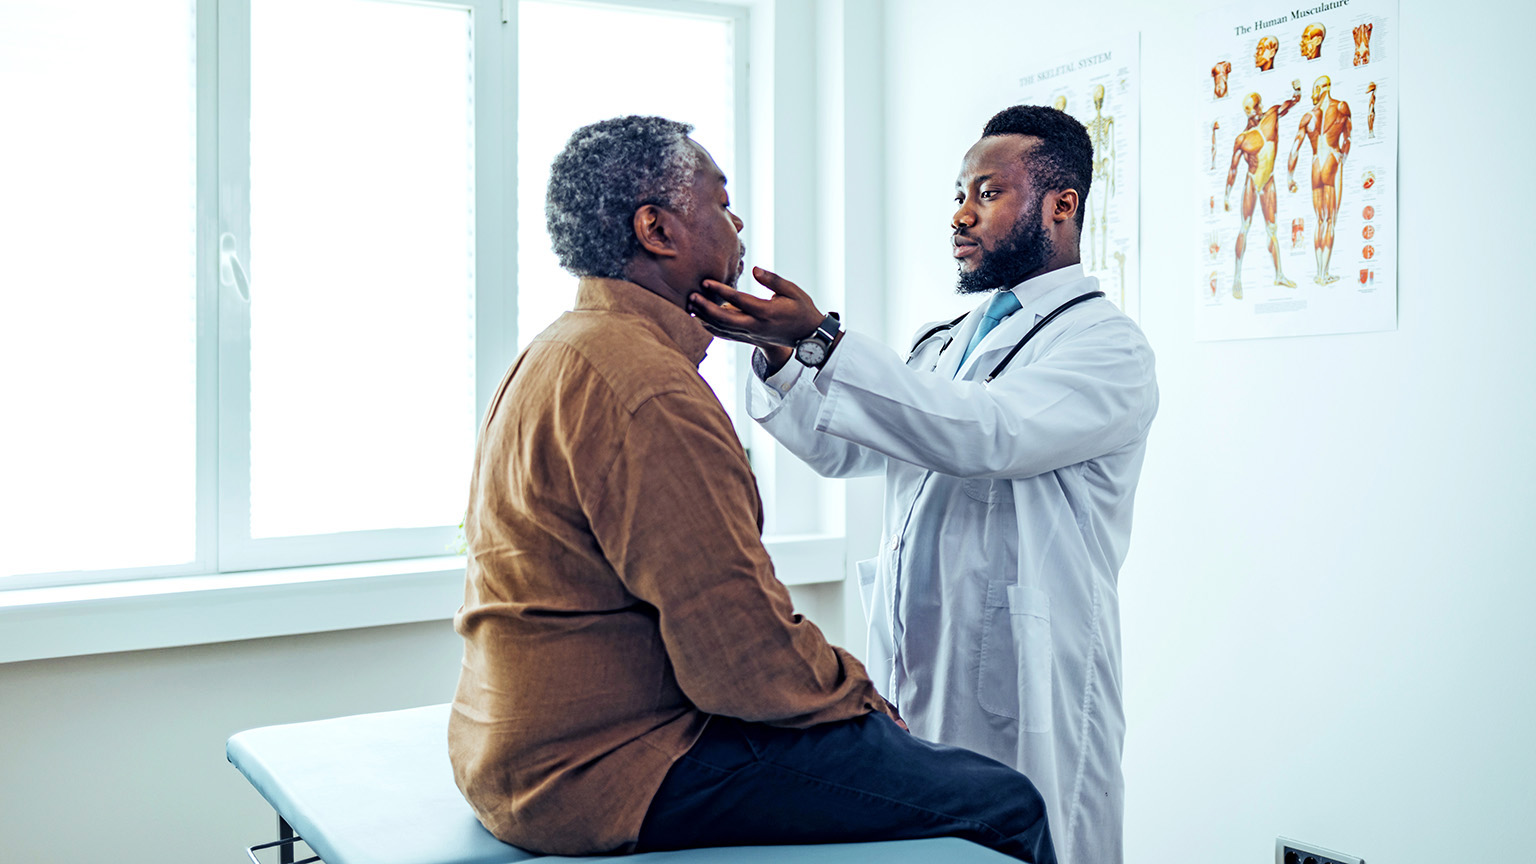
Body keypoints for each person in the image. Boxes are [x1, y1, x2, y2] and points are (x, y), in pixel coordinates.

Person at [449, 115, 1056, 863]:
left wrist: (801, 348)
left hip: (516, 752)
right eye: (722, 202)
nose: (738, 225)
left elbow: (959, 432)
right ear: (658, 230)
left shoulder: (561, 348)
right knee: (1005, 803)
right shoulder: (648, 389)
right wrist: (859, 695)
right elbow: (740, 661)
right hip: (604, 768)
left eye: (985, 194)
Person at [689, 105, 1158, 864]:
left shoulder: (1107, 347)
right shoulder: (943, 342)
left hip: (1029, 673)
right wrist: (783, 355)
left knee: (1040, 842)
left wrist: (824, 342)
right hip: (919, 658)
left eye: (985, 193)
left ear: (1061, 205)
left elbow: (986, 434)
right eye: (958, 194)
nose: (960, 215)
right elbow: (845, 450)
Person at [1224, 81, 1304, 298]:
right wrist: (1227, 195)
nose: (1254, 112)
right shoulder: (1243, 138)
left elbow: (1292, 102)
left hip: (1268, 181)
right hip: (1252, 182)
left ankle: (1279, 275)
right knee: (1245, 227)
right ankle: (1237, 277)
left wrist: (1297, 91)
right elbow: (1233, 169)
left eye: (1256, 106)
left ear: (1260, 105)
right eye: (1250, 109)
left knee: (1272, 230)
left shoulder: (1272, 116)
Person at [1287, 75, 1352, 284]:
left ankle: (1319, 273)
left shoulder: (1308, 117)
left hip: (1315, 164)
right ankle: (1324, 273)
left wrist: (1290, 177)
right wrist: (1343, 154)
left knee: (1320, 220)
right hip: (1331, 159)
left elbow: (1294, 149)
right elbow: (1348, 137)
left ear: (1320, 89)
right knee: (1330, 220)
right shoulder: (1341, 107)